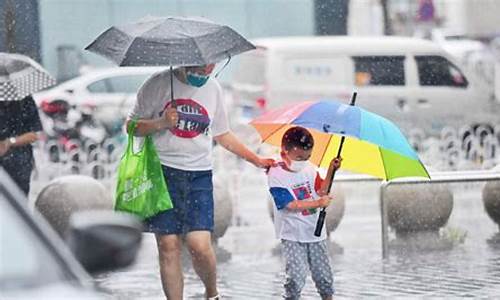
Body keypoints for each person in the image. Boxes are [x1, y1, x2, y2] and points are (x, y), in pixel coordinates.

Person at [127, 63, 275, 300]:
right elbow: (132, 127)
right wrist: (161, 123)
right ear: (186, 58)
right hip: (162, 173)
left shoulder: (213, 89)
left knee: (200, 246)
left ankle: (212, 293)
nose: (207, 71)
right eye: (202, 65)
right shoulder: (157, 84)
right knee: (168, 246)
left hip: (198, 175)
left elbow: (222, 134)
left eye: (212, 65)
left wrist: (255, 159)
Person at [267, 126, 341, 300]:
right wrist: (317, 203)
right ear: (285, 150)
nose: (303, 161)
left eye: (307, 157)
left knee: (323, 276)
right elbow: (289, 204)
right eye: (299, 157)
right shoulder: (275, 174)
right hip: (292, 235)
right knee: (295, 277)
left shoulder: (309, 169)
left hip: (315, 233)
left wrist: (331, 169)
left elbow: (322, 190)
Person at [0, 95, 43, 196]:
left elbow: (33, 135)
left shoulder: (24, 99)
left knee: (18, 200)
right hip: (17, 164)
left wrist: (9, 142)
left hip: (19, 165)